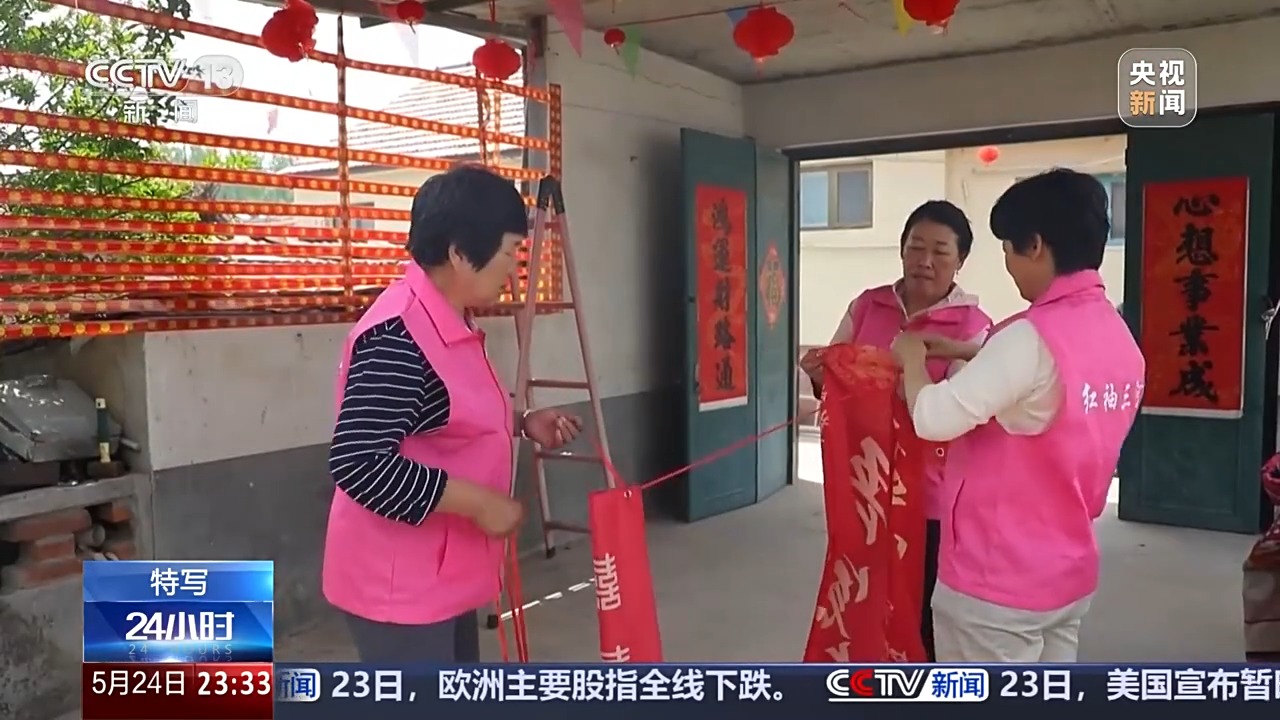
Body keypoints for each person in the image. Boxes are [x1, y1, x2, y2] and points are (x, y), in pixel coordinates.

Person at [321, 165, 584, 663]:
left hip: (440, 572)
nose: (513, 269)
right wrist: (480, 504)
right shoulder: (397, 336)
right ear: (461, 253)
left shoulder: (447, 318)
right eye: (509, 252)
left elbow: (443, 411)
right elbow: (359, 464)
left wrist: (521, 422)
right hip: (399, 588)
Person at [891, 169, 1145, 662]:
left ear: (1035, 246)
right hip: (1065, 575)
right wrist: (967, 351)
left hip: (995, 587)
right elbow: (1045, 385)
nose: (1007, 265)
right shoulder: (1116, 335)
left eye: (1008, 249)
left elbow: (934, 419)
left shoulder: (1028, 338)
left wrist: (912, 358)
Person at [799, 200, 992, 660]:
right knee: (862, 599)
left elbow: (956, 413)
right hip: (865, 488)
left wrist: (904, 375)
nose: (925, 260)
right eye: (915, 247)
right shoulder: (868, 305)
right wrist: (822, 373)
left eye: (940, 251)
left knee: (920, 612)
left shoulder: (973, 328)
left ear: (961, 260)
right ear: (901, 250)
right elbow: (836, 375)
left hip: (931, 497)